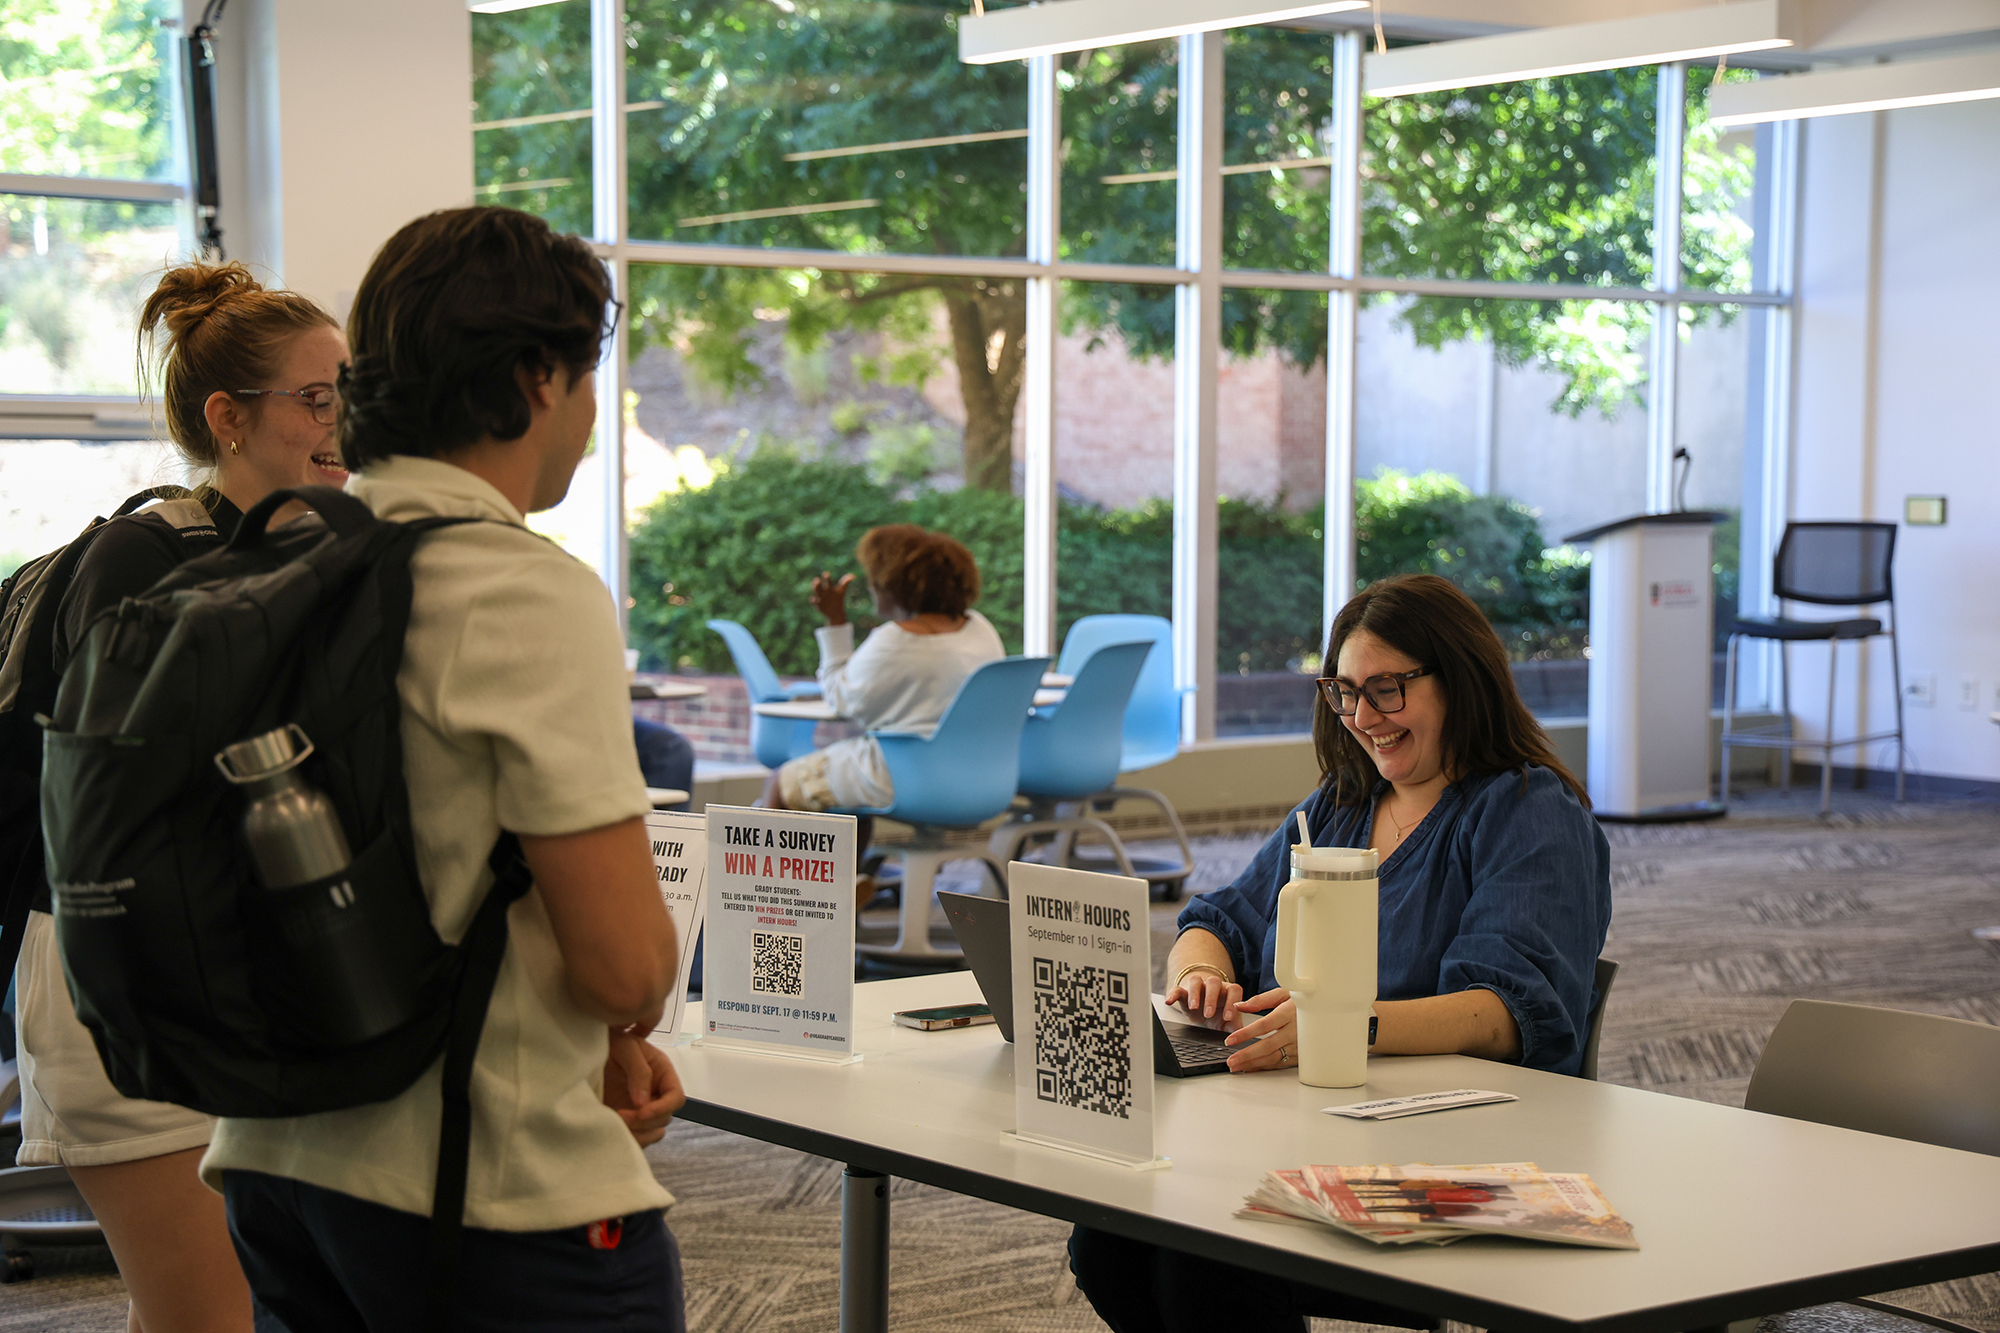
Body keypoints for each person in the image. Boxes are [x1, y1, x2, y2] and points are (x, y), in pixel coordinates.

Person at [199, 207, 688, 1331]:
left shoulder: (280, 563)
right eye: (584, 380)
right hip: (477, 1180)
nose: (589, 417)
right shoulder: (521, 588)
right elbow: (620, 965)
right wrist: (630, 1010)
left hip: (277, 1159)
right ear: (533, 382)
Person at [1068, 572, 1611, 1333]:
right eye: (1344, 691)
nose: (1362, 715)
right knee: (1111, 1240)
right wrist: (1199, 978)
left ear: (1460, 678)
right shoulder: (1342, 806)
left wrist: (1339, 1026)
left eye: (1386, 689)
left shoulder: (1527, 811)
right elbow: (1218, 918)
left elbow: (1507, 1013)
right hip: (1317, 1132)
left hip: (1468, 1167)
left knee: (1208, 1252)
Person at [12, 259, 346, 1333]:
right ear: (227, 417)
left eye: (353, 393)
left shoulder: (305, 557)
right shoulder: (142, 560)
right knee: (207, 1310)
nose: (344, 421)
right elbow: (136, 816)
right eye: (318, 396)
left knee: (225, 1308)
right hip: (129, 978)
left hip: (232, 979)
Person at [757, 524, 1003, 879]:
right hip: (981, 775)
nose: (871, 586)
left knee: (780, 782)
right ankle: (846, 895)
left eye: (875, 579)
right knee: (844, 793)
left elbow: (842, 699)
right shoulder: (980, 628)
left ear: (895, 586)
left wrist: (834, 623)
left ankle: (774, 905)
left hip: (907, 773)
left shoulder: (895, 641)